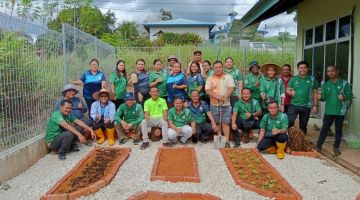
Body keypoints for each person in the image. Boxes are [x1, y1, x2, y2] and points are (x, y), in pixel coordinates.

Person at [316, 65, 353, 156]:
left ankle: (336, 147)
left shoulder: (344, 83)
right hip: (329, 111)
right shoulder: (326, 84)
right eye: (328, 71)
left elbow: (350, 95)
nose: (330, 73)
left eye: (332, 70)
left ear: (337, 71)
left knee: (338, 130)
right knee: (324, 129)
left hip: (340, 111)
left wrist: (344, 97)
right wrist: (320, 97)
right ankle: (318, 146)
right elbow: (324, 98)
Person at [205, 61, 234, 148]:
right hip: (214, 104)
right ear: (213, 69)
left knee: (225, 123)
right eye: (216, 67)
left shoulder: (228, 77)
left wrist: (225, 96)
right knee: (217, 123)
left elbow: (231, 88)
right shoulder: (210, 78)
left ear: (222, 67)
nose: (218, 69)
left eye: (219, 67)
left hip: (226, 104)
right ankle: (220, 138)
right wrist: (218, 97)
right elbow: (207, 91)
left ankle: (227, 141)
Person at [286, 61, 318, 134]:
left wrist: (315, 105)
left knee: (303, 126)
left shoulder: (312, 80)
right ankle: (289, 138)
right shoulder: (293, 79)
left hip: (306, 106)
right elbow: (287, 90)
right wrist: (290, 93)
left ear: (308, 69)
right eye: (301, 68)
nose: (302, 69)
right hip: (294, 105)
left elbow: (315, 93)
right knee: (289, 122)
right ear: (298, 69)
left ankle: (301, 142)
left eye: (304, 68)